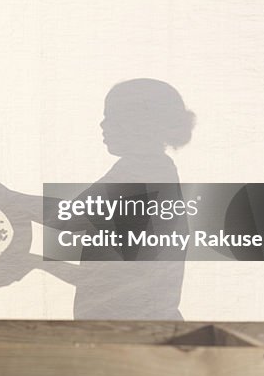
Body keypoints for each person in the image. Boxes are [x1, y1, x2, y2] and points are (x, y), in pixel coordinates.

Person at [71, 78, 195, 320]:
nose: (102, 125)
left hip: (134, 334)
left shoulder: (143, 175)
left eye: (111, 117)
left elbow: (64, 218)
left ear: (138, 123)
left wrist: (0, 195)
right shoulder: (142, 170)